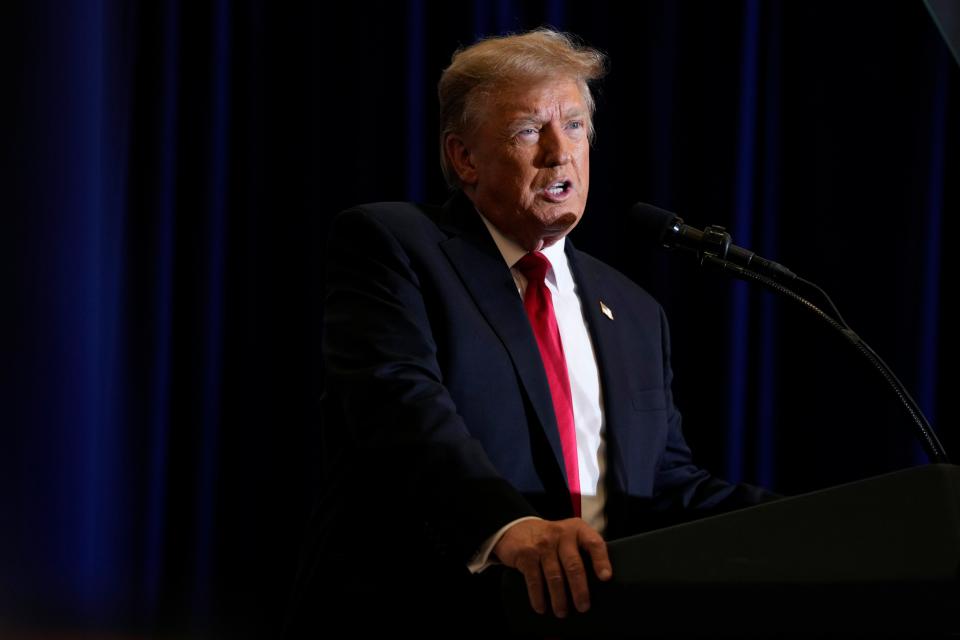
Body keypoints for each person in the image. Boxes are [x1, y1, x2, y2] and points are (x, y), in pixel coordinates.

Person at [286, 28, 775, 635]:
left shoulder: (635, 311)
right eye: (527, 131)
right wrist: (508, 527)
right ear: (464, 157)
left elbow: (664, 484)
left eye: (574, 126)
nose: (558, 152)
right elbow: (401, 410)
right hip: (424, 610)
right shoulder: (395, 248)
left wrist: (812, 522)